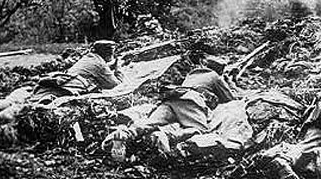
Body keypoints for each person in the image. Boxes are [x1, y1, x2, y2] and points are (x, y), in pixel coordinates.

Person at [0, 40, 124, 136]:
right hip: (65, 87)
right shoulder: (100, 64)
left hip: (56, 81)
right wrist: (118, 68)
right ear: (109, 54)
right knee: (28, 106)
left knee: (21, 100)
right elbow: (116, 85)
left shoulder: (89, 57)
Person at [101, 55, 236, 161]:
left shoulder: (192, 74)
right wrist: (228, 81)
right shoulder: (215, 76)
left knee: (151, 122)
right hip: (191, 102)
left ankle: (126, 133)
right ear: (219, 70)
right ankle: (167, 136)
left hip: (172, 98)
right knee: (202, 132)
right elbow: (231, 100)